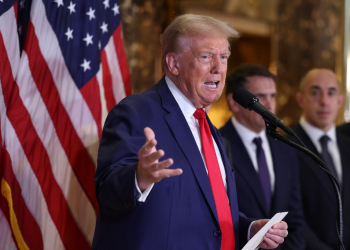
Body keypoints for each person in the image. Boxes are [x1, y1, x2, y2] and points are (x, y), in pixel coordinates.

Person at [92, 14, 288, 250]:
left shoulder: (211, 130)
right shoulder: (135, 112)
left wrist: (248, 228)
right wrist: (138, 178)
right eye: (205, 57)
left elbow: (208, 211)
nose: (218, 68)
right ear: (174, 64)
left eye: (223, 57)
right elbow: (106, 191)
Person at [219, 64, 305, 249]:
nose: (270, 104)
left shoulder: (285, 145)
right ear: (235, 103)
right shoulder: (216, 144)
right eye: (260, 97)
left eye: (272, 95)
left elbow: (296, 217)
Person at [292, 68, 350, 249]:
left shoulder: (347, 145)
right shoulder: (284, 146)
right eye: (315, 93)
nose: (324, 101)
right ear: (301, 99)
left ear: (340, 100)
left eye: (331, 93)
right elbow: (290, 214)